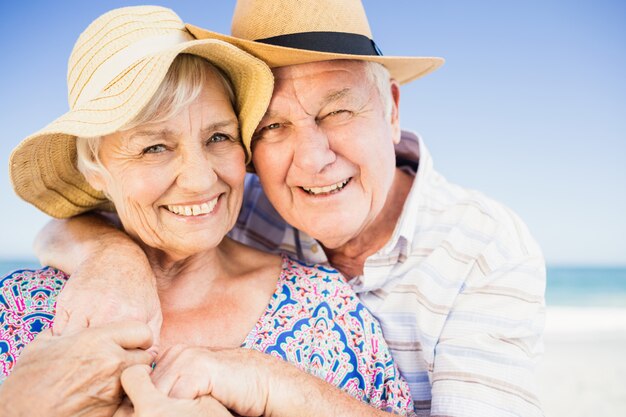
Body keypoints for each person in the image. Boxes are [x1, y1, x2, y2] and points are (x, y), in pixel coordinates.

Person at [32, 1, 547, 416]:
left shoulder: (485, 250)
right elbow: (119, 212)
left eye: (338, 110)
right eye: (273, 126)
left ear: (392, 109)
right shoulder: (231, 206)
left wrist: (267, 380)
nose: (314, 159)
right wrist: (111, 260)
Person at [1, 5, 415, 417]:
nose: (200, 180)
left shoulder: (325, 308)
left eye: (218, 136)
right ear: (94, 171)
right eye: (154, 147)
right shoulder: (20, 309)